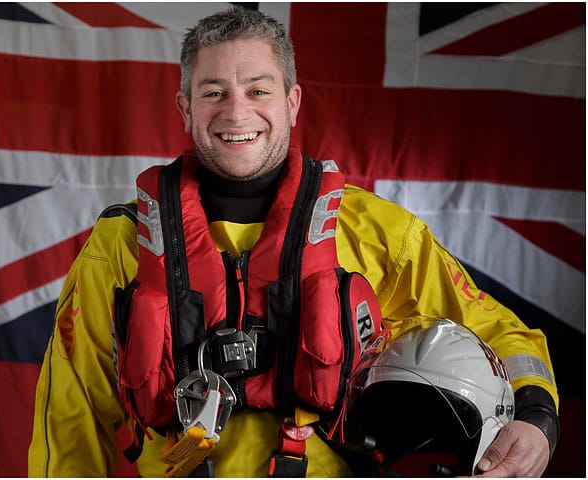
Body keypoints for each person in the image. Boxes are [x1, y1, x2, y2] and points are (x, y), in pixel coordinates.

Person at [28, 7, 559, 478]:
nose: (236, 113)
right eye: (214, 92)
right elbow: (70, 421)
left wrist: (537, 419)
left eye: (258, 90)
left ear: (292, 101)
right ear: (185, 107)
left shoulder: (379, 233)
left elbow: (500, 334)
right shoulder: (121, 245)